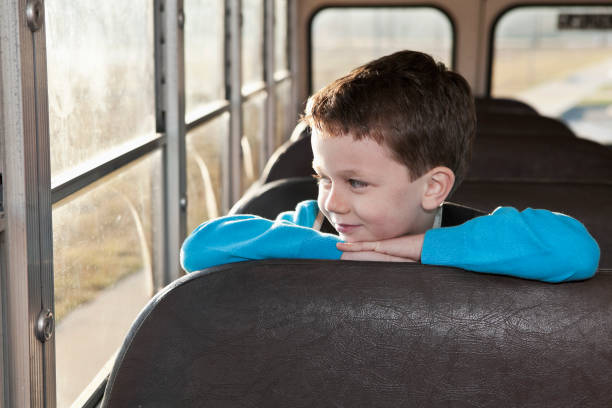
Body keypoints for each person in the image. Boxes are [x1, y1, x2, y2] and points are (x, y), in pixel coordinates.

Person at [181, 50, 600, 282]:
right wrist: (338, 253)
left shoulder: (473, 236)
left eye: (357, 183)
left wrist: (419, 251)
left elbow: (577, 251)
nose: (334, 202)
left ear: (434, 188)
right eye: (322, 178)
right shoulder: (310, 225)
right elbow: (200, 247)